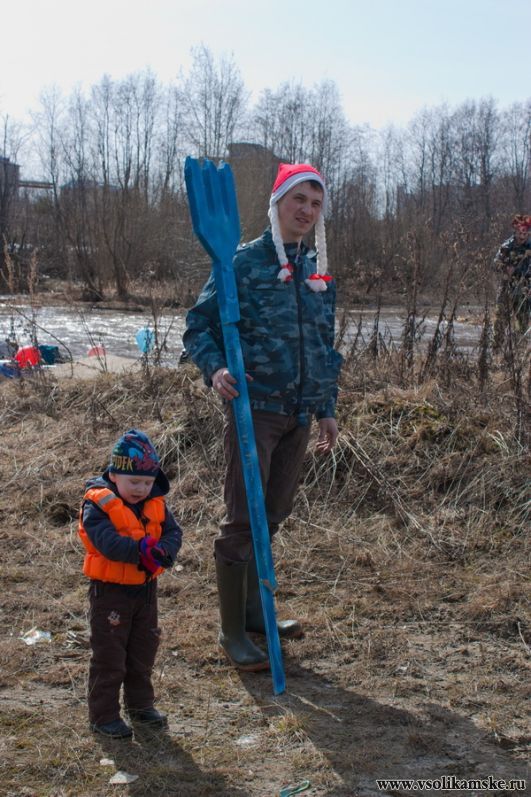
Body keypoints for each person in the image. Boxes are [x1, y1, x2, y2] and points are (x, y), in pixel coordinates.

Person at [183, 163, 343, 671]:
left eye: (315, 204)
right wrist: (216, 369)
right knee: (242, 519)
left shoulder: (316, 272)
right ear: (277, 203)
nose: (307, 211)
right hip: (255, 409)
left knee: (272, 514)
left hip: (300, 412)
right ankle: (232, 631)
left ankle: (255, 613)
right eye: (299, 200)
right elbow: (198, 327)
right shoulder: (241, 262)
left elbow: (324, 346)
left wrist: (327, 407)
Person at [78, 429, 183, 739]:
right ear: (114, 475)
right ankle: (103, 716)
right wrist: (141, 551)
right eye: (134, 482)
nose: (141, 489)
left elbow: (173, 533)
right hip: (110, 592)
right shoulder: (98, 504)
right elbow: (107, 543)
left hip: (145, 592)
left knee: (143, 650)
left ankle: (140, 706)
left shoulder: (156, 502)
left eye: (147, 483)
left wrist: (163, 553)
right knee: (110, 656)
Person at [493, 214, 531, 346]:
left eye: (525, 232)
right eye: (520, 232)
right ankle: (497, 350)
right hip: (507, 288)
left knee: (522, 324)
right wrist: (505, 268)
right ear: (515, 231)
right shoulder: (506, 246)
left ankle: (519, 350)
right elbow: (495, 263)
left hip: (525, 291)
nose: (522, 235)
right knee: (500, 322)